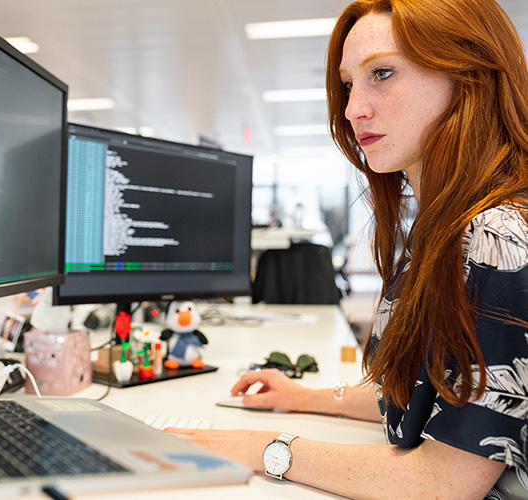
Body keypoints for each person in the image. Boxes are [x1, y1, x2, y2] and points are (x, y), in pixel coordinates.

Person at [165, 0, 528, 497]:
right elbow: (431, 396)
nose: (354, 108)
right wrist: (306, 397)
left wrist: (261, 448)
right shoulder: (442, 229)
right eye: (348, 84)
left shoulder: (497, 236)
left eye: (382, 73)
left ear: (470, 76)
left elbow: (447, 480)